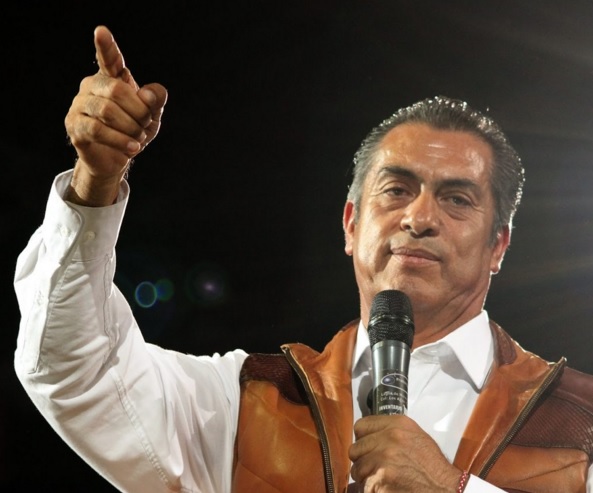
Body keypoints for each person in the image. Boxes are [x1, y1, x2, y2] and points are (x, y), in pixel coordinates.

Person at [13, 25, 593, 493]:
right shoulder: (246, 403)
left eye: (457, 199)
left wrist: (453, 489)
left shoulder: (581, 419)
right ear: (351, 225)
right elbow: (74, 371)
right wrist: (95, 182)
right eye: (396, 190)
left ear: (498, 246)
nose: (419, 217)